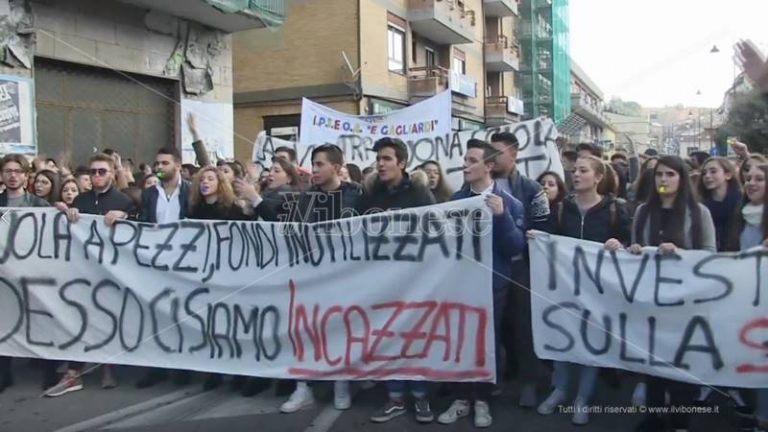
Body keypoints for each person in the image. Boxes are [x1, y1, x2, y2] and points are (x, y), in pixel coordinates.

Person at [250, 144, 363, 413]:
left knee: (340, 330)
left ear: (336, 167)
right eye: (313, 163)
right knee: (305, 331)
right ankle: (303, 387)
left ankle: (341, 384)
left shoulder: (356, 195)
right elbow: (286, 226)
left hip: (345, 276)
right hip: (311, 275)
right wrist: (255, 201)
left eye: (320, 164)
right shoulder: (307, 197)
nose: (314, 169)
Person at [535, 156, 631, 426]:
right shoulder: (562, 208)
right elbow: (550, 237)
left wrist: (619, 243)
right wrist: (538, 238)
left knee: (592, 342)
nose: (575, 174)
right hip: (565, 287)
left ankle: (583, 398)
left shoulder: (614, 209)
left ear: (598, 177)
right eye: (574, 170)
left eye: (582, 170)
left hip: (598, 290)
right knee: (563, 336)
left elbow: (628, 240)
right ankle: (561, 389)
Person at [437, 139, 525, 428]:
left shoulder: (510, 203)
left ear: (488, 166)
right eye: (464, 159)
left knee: (488, 341)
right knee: (460, 340)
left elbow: (515, 248)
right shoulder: (454, 202)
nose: (465, 165)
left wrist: (502, 218)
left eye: (471, 160)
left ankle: (483, 399)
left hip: (493, 285)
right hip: (459, 283)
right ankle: (463, 398)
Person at [629, 155, 716, 432]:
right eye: (659, 175)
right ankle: (654, 418)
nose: (663, 180)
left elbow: (710, 256)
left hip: (684, 301)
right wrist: (632, 251)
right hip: (651, 300)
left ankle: (680, 421)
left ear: (682, 178)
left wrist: (681, 254)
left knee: (681, 364)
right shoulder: (643, 211)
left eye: (670, 175)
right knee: (652, 361)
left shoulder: (699, 213)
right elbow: (636, 247)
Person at [356, 137, 435, 424]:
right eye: (378, 158)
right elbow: (354, 231)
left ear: (401, 163)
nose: (380, 163)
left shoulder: (419, 195)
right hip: (380, 280)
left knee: (414, 339)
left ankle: (421, 395)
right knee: (387, 338)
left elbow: (434, 232)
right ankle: (395, 397)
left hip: (413, 280)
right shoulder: (369, 195)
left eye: (387, 158)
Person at [46, 153, 135, 397]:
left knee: (107, 320)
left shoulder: (124, 201)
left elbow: (142, 227)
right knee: (78, 319)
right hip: (81, 272)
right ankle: (74, 371)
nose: (96, 176)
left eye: (102, 171)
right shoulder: (81, 200)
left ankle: (108, 367)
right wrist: (64, 213)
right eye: (93, 172)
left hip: (111, 273)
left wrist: (126, 218)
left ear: (112, 174)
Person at [489, 131, 551, 407]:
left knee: (524, 326)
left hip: (520, 267)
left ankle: (530, 382)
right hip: (488, 266)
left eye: (497, 153)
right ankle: (492, 379)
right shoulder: (481, 185)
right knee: (490, 326)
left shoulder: (532, 189)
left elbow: (544, 226)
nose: (491, 158)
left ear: (514, 154)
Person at [134, 147, 194, 389]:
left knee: (182, 315)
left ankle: (183, 368)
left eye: (165, 163)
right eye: (157, 163)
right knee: (155, 315)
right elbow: (142, 220)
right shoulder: (149, 193)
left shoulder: (190, 192)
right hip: (155, 261)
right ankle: (156, 367)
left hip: (184, 262)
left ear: (177, 165)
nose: (159, 167)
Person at [0, 154, 53, 393]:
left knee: (40, 322)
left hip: (33, 273)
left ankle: (49, 372)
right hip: (4, 275)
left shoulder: (39, 205)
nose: (12, 175)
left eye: (17, 171)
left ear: (25, 175)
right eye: (8, 171)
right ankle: (4, 374)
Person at [732, 164, 768, 432]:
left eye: (759, 179)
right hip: (747, 303)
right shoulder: (741, 216)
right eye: (748, 179)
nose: (752, 183)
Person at [698, 157, 743, 252]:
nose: (707, 176)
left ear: (728, 175)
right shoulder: (700, 206)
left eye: (713, 172)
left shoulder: (741, 201)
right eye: (704, 173)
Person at [249, 157, 302, 222]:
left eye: (277, 171)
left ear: (289, 178)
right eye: (270, 170)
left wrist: (255, 199)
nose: (270, 173)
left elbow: (277, 222)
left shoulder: (293, 199)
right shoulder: (262, 193)